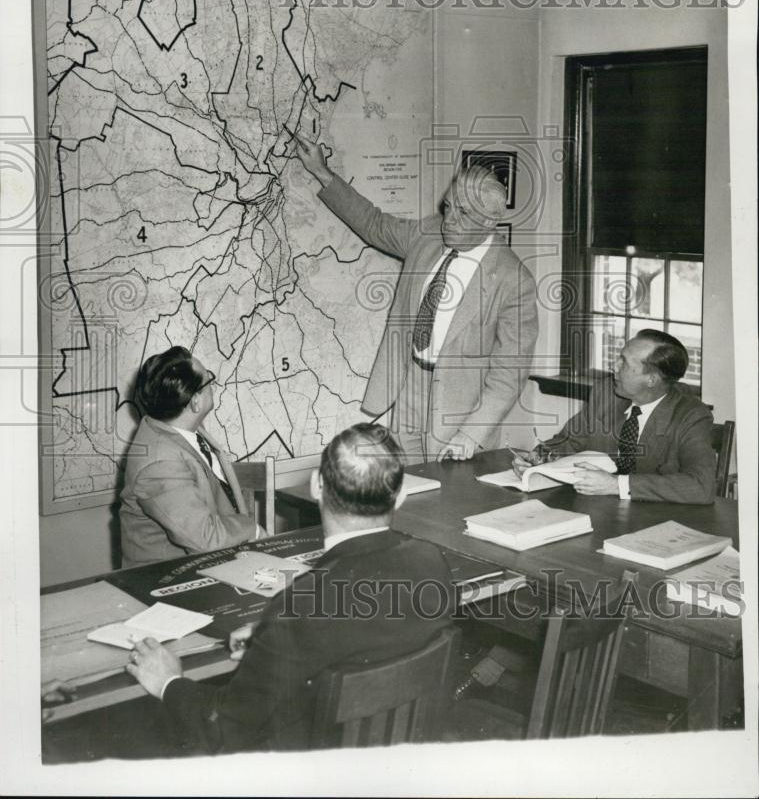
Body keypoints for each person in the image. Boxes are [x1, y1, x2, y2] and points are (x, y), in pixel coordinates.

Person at [126, 423, 456, 752]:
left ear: (316, 485)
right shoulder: (432, 563)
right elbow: (370, 630)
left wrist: (168, 682)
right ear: (400, 497)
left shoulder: (303, 604)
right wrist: (271, 634)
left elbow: (222, 727)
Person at [293, 133, 539, 462]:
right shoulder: (427, 235)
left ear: (491, 221)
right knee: (407, 490)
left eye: (464, 214)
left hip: (459, 411)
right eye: (449, 206)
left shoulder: (513, 280)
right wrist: (321, 172)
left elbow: (509, 372)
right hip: (410, 385)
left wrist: (470, 434)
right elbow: (373, 223)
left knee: (446, 507)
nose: (449, 220)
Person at [515, 329, 716, 504]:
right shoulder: (606, 393)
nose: (613, 365)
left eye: (624, 363)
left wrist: (615, 485)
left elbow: (701, 486)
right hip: (599, 511)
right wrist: (535, 458)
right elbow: (569, 440)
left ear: (651, 379)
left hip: (656, 521)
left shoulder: (691, 416)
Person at [119, 346, 262, 567]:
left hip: (216, 563)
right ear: (195, 402)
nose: (212, 385)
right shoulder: (159, 464)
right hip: (170, 580)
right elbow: (206, 539)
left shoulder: (176, 427)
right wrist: (251, 529)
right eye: (208, 380)